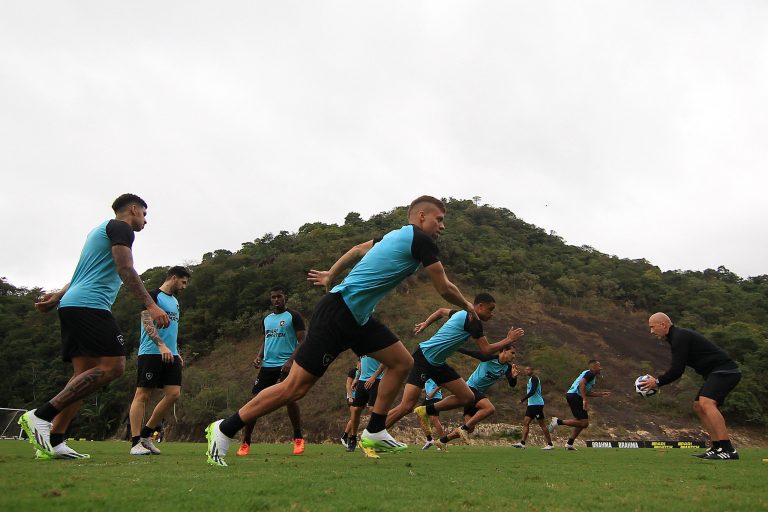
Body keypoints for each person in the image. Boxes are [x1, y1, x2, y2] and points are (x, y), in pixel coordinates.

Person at [205, 196, 477, 466]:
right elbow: (444, 287)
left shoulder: (395, 236)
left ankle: (375, 431)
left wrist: (330, 273)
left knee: (401, 362)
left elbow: (359, 248)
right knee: (294, 388)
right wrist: (467, 305)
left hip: (357, 318)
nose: (442, 226)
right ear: (421, 216)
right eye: (438, 219)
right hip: (338, 312)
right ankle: (225, 428)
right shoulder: (420, 239)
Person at [19, 194, 170, 460]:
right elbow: (125, 268)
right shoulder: (121, 228)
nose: (146, 221)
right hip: (90, 305)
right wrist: (150, 305)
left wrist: (56, 296)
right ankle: (40, 416)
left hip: (73, 303)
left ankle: (55, 440)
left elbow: (81, 272)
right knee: (114, 366)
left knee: (83, 378)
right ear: (133, 209)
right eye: (144, 215)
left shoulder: (97, 231)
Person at [383, 293, 524, 451]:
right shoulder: (473, 321)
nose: (492, 314)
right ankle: (375, 433)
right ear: (480, 307)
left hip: (438, 364)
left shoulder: (461, 313)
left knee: (467, 397)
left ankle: (426, 410)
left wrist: (426, 323)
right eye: (490, 310)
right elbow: (486, 350)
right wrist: (509, 339)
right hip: (423, 358)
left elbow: (441, 311)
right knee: (407, 406)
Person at [641, 312, 741, 460]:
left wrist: (657, 382)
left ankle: (728, 450)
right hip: (716, 373)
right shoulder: (675, 338)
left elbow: (677, 370)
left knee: (706, 402)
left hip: (726, 371)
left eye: (652, 327)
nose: (651, 331)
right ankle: (717, 447)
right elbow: (677, 367)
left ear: (663, 325)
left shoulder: (680, 337)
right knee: (698, 406)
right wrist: (658, 381)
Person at [236, 286, 307, 456]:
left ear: (285, 298)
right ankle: (246, 442)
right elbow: (266, 339)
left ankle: (298, 438)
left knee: (289, 399)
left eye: (279, 296)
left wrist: (291, 361)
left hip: (286, 365)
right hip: (268, 366)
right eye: (273, 297)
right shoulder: (267, 319)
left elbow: (303, 340)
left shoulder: (293, 316)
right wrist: (259, 356)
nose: (276, 300)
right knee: (255, 401)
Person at [128, 266, 191, 455]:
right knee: (143, 395)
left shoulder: (175, 301)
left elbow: (172, 330)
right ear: (173, 278)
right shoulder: (152, 296)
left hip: (170, 354)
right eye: (183, 282)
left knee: (173, 394)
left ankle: (147, 435)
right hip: (151, 352)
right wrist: (161, 345)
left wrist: (175, 351)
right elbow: (146, 323)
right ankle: (135, 442)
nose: (184, 286)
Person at [433, 346, 518, 449]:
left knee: (470, 428)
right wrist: (453, 346)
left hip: (478, 394)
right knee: (489, 408)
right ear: (504, 351)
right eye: (512, 353)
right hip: (470, 389)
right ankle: (462, 428)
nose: (514, 356)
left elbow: (512, 384)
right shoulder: (489, 357)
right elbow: (469, 351)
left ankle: (442, 441)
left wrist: (514, 377)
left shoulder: (507, 367)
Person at [548, 360, 610, 450]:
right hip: (575, 396)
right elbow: (581, 384)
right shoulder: (590, 374)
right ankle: (558, 422)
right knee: (584, 423)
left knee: (581, 422)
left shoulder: (589, 375)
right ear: (594, 367)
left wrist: (600, 394)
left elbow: (586, 391)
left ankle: (569, 443)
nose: (601, 368)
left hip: (573, 395)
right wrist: (584, 400)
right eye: (599, 366)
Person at [342, 355, 385, 452]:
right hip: (362, 381)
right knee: (355, 409)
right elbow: (361, 362)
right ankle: (353, 438)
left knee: (373, 409)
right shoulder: (362, 346)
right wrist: (357, 378)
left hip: (376, 381)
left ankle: (375, 440)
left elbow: (384, 362)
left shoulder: (379, 344)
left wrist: (374, 377)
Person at [512, 366, 554, 450]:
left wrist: (522, 399)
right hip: (531, 405)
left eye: (528, 370)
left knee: (542, 424)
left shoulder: (534, 378)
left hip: (537, 404)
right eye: (525, 370)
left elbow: (533, 391)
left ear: (532, 370)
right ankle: (522, 443)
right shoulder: (530, 379)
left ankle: (550, 444)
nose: (526, 371)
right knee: (526, 422)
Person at [340, 359, 361, 449]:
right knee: (354, 417)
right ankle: (348, 437)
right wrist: (350, 397)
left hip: (360, 397)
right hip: (352, 397)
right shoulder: (353, 371)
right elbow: (348, 384)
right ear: (358, 363)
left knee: (354, 418)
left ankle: (345, 436)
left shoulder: (364, 373)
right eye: (361, 363)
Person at [420, 379, 445, 450]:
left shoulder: (434, 370)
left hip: (435, 398)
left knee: (434, 419)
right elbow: (430, 384)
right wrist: (424, 390)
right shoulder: (425, 372)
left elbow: (441, 383)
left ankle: (443, 442)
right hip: (428, 399)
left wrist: (432, 393)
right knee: (420, 415)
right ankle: (429, 440)